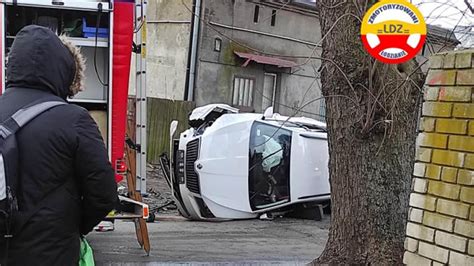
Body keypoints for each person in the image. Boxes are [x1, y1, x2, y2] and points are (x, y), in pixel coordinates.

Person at [0, 25, 117, 265]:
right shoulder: (75, 119)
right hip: (51, 252)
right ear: (64, 70)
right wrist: (74, 227)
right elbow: (104, 194)